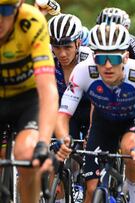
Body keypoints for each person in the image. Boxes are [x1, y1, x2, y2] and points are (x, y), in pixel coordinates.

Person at [55, 22, 135, 203]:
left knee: (131, 147)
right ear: (94, 57)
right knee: (91, 190)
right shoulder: (83, 71)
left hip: (133, 119)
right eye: (101, 59)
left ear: (126, 57)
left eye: (115, 59)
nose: (108, 66)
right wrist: (63, 138)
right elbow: (63, 115)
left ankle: (134, 195)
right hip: (102, 122)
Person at [0, 0, 58, 202]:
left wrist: (43, 143)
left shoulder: (32, 21)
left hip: (28, 98)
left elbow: (48, 89)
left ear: (18, 8)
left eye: (5, 10)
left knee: (27, 153)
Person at [48, 13, 93, 143]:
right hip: (64, 110)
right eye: (56, 47)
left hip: (90, 108)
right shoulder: (48, 58)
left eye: (68, 47)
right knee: (61, 146)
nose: (62, 54)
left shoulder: (89, 59)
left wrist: (92, 130)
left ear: (78, 43)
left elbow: (97, 102)